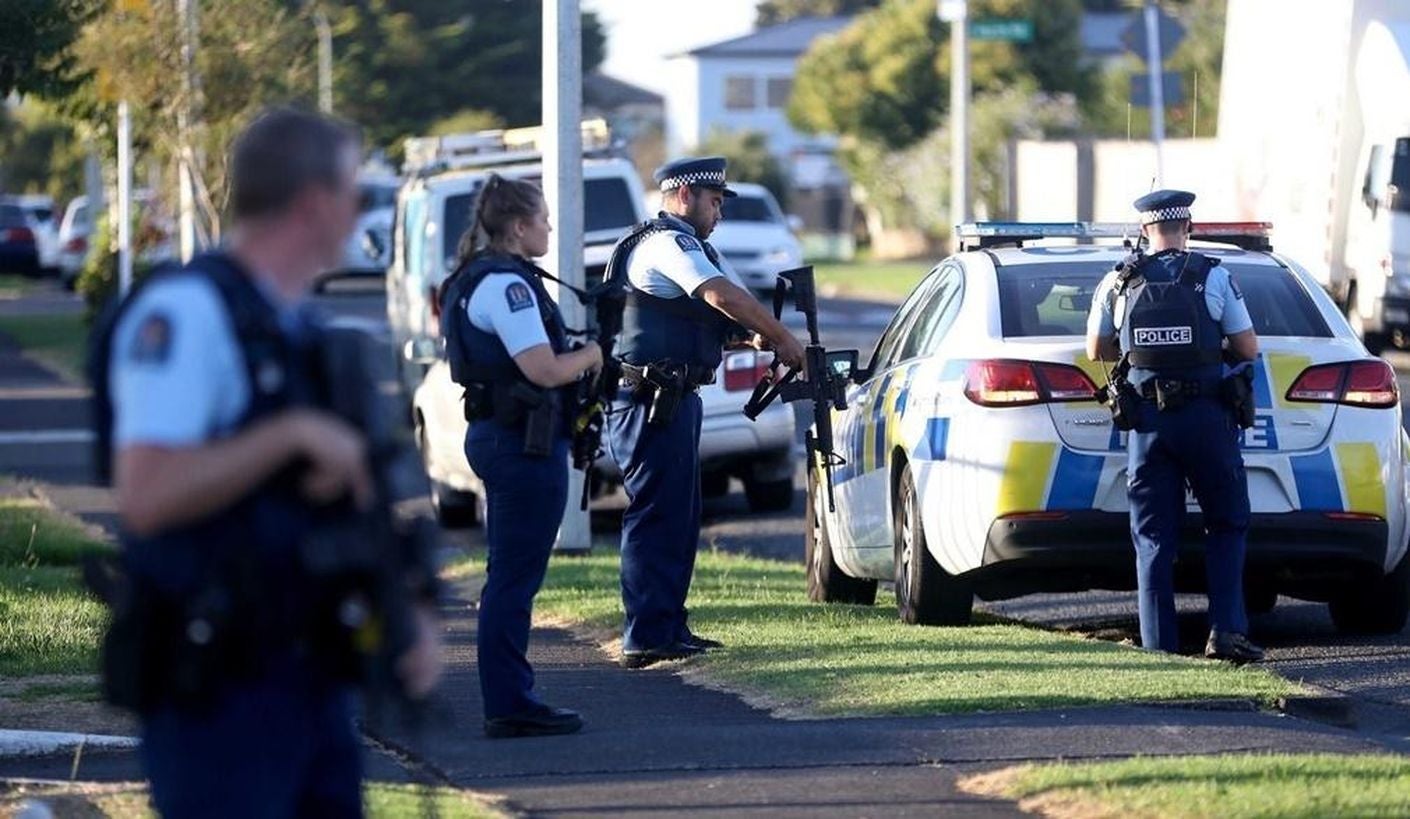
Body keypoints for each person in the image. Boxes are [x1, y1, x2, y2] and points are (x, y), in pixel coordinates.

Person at [106, 108, 442, 817]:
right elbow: (146, 492)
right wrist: (290, 435)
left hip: (313, 674)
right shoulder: (187, 313)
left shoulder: (295, 326)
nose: (359, 210)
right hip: (221, 688)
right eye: (354, 191)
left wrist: (406, 612)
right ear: (315, 201)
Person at [606, 157, 806, 669]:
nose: (719, 212)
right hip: (653, 401)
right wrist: (782, 338)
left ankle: (667, 626)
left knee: (678, 516)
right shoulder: (667, 244)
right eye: (713, 201)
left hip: (672, 399)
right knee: (656, 515)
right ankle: (646, 633)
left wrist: (749, 336)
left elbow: (694, 315)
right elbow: (719, 294)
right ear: (682, 196)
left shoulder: (685, 245)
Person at [440, 174, 602, 737]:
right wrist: (592, 354)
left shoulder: (481, 278)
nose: (550, 227)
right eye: (544, 218)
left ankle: (512, 696)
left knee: (511, 576)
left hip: (508, 438)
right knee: (512, 579)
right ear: (518, 226)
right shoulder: (505, 286)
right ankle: (509, 703)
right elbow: (543, 369)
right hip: (520, 443)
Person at [1085, 189, 1264, 664]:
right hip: (1207, 421)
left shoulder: (1118, 282)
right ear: (1187, 227)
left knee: (1152, 537)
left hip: (1147, 425)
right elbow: (1247, 349)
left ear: (1144, 231)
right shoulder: (1214, 276)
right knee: (1226, 522)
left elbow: (1095, 349)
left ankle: (1158, 648)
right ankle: (1226, 633)